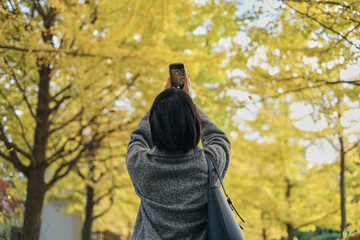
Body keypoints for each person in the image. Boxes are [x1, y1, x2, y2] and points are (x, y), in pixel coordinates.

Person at [126, 71, 231, 240]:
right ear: (193, 122)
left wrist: (163, 104)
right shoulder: (209, 165)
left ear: (154, 125)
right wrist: (188, 102)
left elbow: (139, 137)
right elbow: (218, 137)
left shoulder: (141, 166)